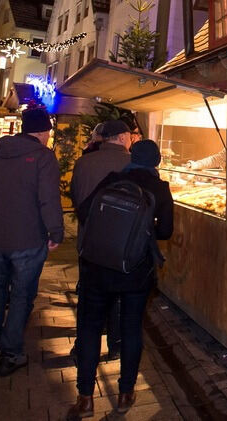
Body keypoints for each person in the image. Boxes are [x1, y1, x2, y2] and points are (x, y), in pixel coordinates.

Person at [67, 139, 173, 420]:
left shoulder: (113, 180)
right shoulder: (160, 189)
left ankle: (86, 398)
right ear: (156, 162)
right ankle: (126, 393)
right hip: (135, 271)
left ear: (131, 157)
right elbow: (166, 232)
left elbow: (84, 212)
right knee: (130, 328)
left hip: (98, 267)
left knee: (89, 329)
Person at [0, 107, 64, 377]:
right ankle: (12, 352)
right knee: (21, 294)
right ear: (43, 132)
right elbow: (48, 198)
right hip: (28, 237)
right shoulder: (43, 157)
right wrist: (56, 231)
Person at [70, 119, 136, 360]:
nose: (131, 139)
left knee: (90, 299)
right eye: (129, 135)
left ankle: (84, 349)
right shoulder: (132, 163)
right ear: (120, 138)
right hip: (122, 246)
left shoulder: (83, 163)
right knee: (119, 296)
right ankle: (116, 344)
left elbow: (76, 198)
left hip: (90, 244)